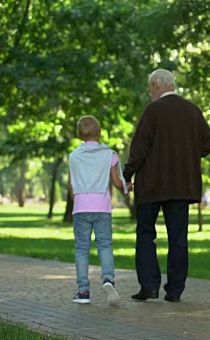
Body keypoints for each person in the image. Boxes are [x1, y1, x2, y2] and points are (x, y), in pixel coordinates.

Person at [124, 69, 210, 303]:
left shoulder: (153, 110)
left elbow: (140, 146)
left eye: (149, 88)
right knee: (178, 238)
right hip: (182, 186)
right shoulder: (192, 111)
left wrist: (128, 172)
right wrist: (187, 155)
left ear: (155, 86)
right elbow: (207, 144)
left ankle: (149, 286)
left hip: (152, 184)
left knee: (146, 234)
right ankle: (174, 291)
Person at [67, 115, 127, 305]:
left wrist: (76, 200)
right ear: (100, 133)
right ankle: (108, 278)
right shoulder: (109, 154)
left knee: (82, 249)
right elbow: (117, 181)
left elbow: (71, 184)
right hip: (102, 208)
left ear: (79, 135)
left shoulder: (74, 156)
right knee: (105, 246)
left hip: (81, 208)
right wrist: (127, 189)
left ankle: (83, 291)